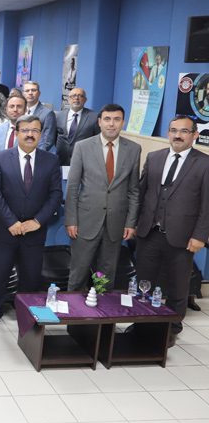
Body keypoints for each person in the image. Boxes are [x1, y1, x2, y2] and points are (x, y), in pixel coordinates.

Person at [0, 114, 62, 333]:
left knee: (31, 276)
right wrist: (11, 222)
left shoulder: (51, 160)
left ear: (41, 134)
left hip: (34, 232)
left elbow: (55, 195)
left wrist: (37, 221)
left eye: (35, 130)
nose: (30, 134)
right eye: (25, 130)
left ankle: (26, 313)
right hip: (5, 230)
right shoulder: (1, 158)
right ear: (17, 133)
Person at [135, 115, 209, 347]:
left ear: (194, 135)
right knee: (144, 284)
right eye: (174, 130)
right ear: (168, 133)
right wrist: (134, 223)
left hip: (183, 237)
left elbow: (207, 204)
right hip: (149, 233)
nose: (178, 135)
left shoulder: (204, 163)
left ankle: (172, 329)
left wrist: (200, 236)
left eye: (184, 131)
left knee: (177, 288)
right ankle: (141, 324)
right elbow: (141, 193)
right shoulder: (154, 157)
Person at [65, 104, 140, 291]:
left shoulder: (134, 149)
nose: (111, 124)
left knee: (106, 276)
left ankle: (103, 309)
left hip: (115, 223)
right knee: (79, 273)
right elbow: (72, 187)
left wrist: (130, 223)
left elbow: (133, 190)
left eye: (116, 119)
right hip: (85, 222)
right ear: (99, 122)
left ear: (123, 123)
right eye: (107, 119)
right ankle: (74, 309)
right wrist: (71, 220)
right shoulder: (82, 147)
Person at [55, 87, 99, 166]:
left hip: (84, 161)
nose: (76, 98)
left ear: (85, 100)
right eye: (73, 96)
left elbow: (97, 140)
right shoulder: (58, 116)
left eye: (80, 96)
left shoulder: (94, 117)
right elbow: (54, 137)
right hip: (61, 160)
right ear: (68, 99)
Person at [0, 95, 27, 162]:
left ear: (25, 110)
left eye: (19, 106)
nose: (15, 110)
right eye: (11, 106)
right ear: (6, 109)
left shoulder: (31, 132)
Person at [22, 81, 56, 152]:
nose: (30, 93)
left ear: (39, 93)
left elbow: (47, 141)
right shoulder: (20, 111)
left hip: (36, 153)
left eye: (33, 90)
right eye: (27, 91)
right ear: (23, 94)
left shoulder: (48, 113)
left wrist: (32, 154)